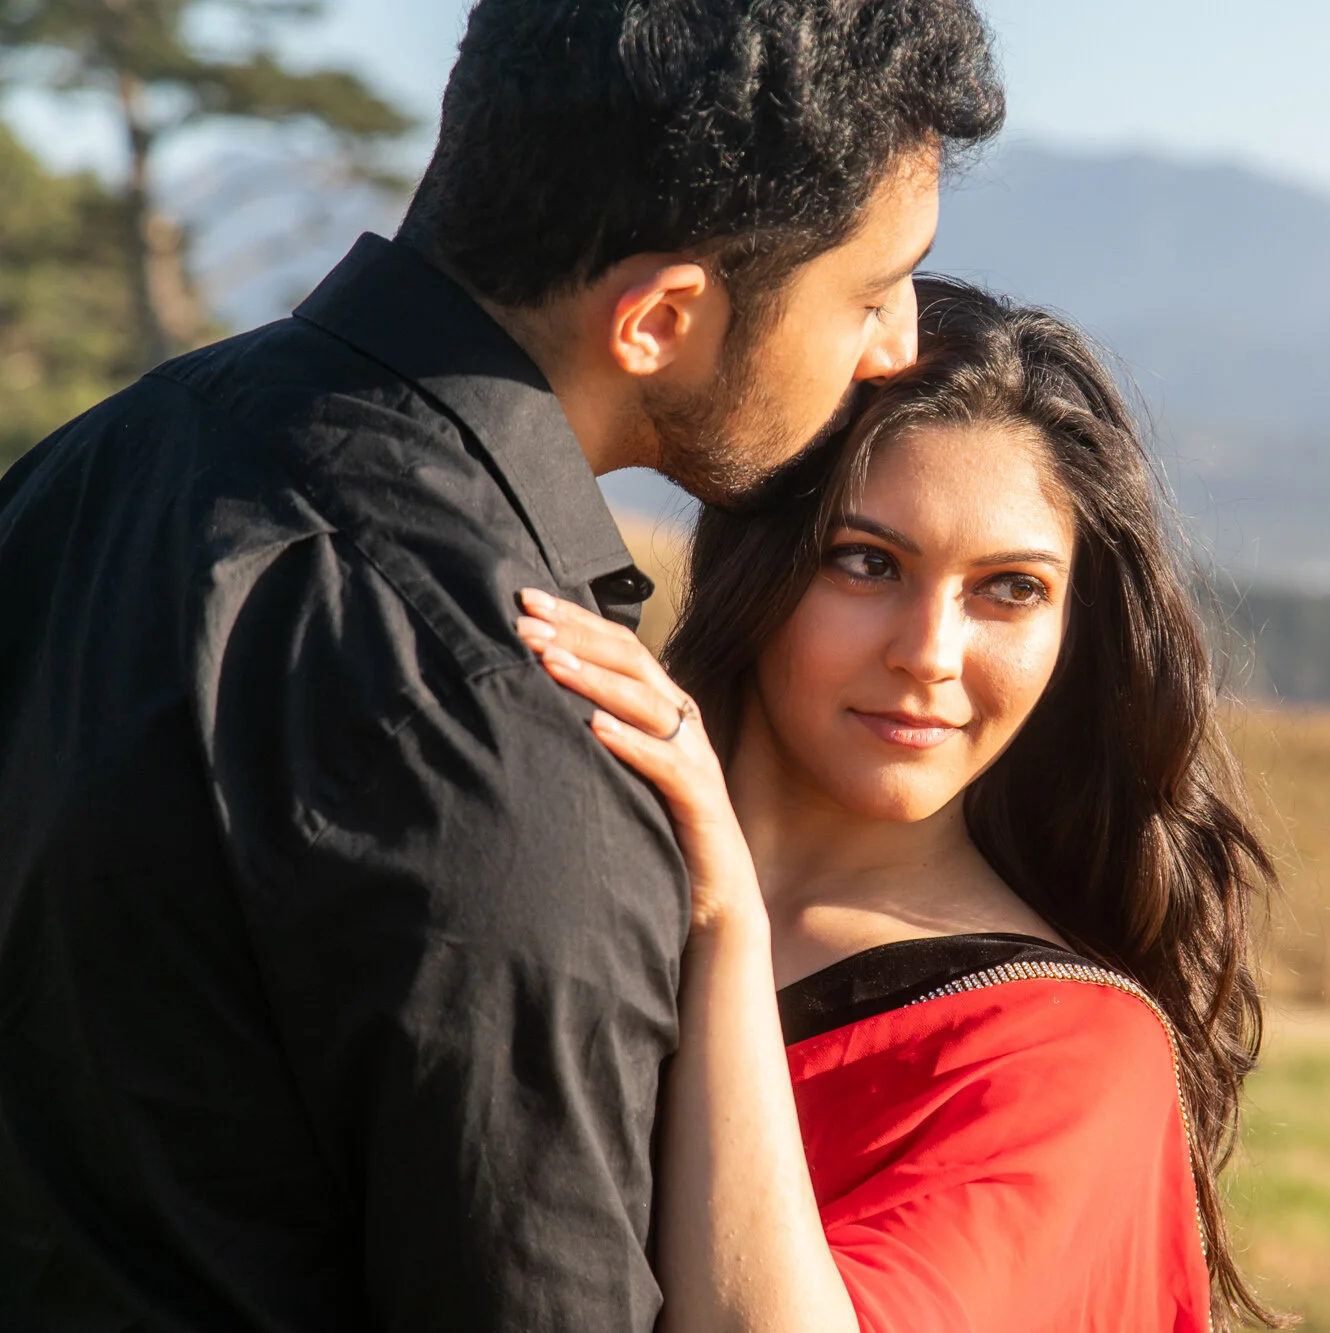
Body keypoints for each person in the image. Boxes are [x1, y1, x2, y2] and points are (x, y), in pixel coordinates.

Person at [0, 3, 1000, 1328]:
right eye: (870, 292)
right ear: (661, 317)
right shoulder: (513, 716)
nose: (897, 347)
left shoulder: (84, 473)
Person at [516, 278, 1288, 1331]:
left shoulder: (1061, 1051)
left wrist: (725, 926)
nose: (926, 653)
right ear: (759, 564)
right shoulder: (543, 842)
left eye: (1007, 588)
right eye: (866, 563)